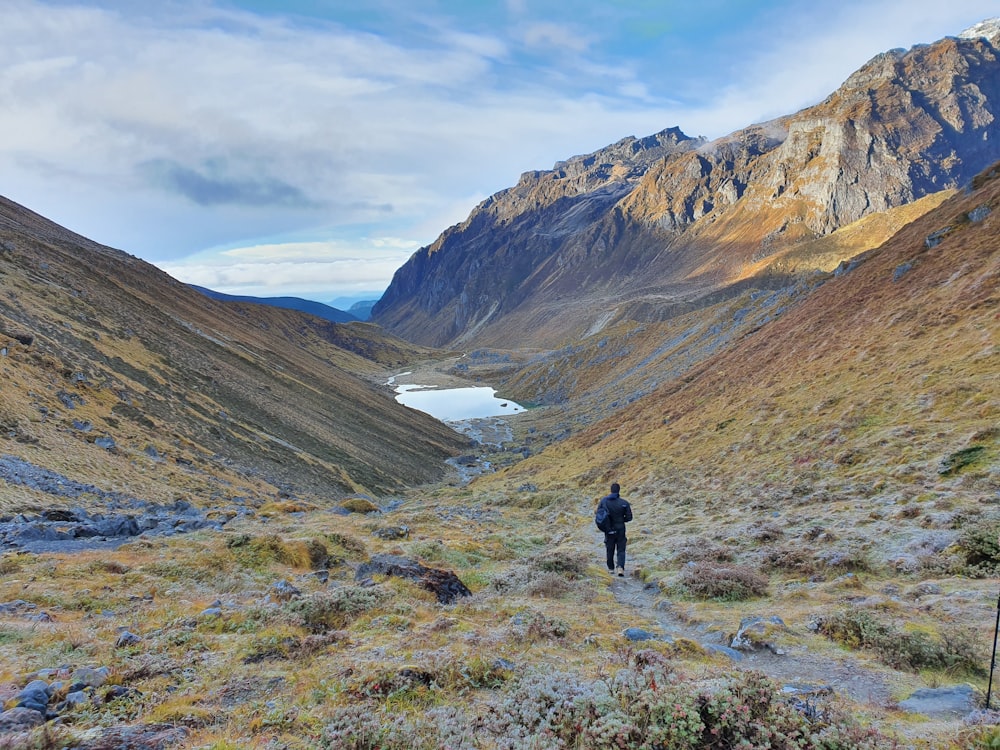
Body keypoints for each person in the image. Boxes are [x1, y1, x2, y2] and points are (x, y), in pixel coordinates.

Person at [597, 482, 632, 576]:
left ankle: (611, 568)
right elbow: (629, 518)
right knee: (621, 548)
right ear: (619, 490)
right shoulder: (624, 503)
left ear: (611, 490)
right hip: (620, 528)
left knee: (609, 548)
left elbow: (599, 513)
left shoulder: (604, 501)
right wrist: (621, 520)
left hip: (609, 528)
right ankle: (620, 567)